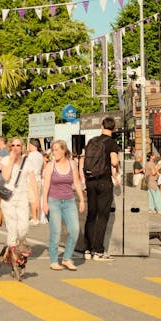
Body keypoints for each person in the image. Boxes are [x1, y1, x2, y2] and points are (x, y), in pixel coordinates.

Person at [41, 139, 85, 271]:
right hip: (53, 201)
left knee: (74, 230)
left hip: (69, 201)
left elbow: (76, 182)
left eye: (57, 149)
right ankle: (54, 260)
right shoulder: (50, 166)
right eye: (53, 150)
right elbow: (46, 185)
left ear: (64, 150)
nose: (54, 152)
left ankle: (67, 258)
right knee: (56, 232)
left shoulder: (72, 164)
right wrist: (44, 203)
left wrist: (82, 199)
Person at [80, 116, 119, 261]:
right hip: (103, 181)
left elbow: (83, 159)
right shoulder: (111, 143)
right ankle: (98, 250)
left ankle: (87, 249)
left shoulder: (92, 141)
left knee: (91, 215)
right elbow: (114, 162)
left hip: (90, 181)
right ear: (113, 128)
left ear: (102, 126)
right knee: (102, 216)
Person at [1, 137, 36, 256]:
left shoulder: (28, 161)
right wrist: (11, 160)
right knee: (12, 229)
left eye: (18, 145)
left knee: (23, 228)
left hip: (22, 198)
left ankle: (17, 247)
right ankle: (12, 255)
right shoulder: (6, 160)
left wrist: (36, 200)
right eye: (13, 146)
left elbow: (32, 181)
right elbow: (5, 177)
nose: (16, 148)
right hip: (8, 199)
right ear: (9, 147)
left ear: (22, 147)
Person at [24, 139, 46, 224]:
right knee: (38, 198)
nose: (28, 147)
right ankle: (37, 217)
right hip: (39, 179)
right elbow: (43, 166)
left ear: (33, 145)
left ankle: (35, 218)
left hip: (31, 179)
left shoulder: (31, 155)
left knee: (32, 200)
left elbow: (28, 168)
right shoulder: (40, 155)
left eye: (29, 145)